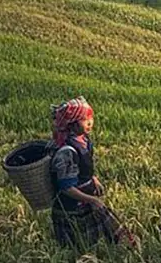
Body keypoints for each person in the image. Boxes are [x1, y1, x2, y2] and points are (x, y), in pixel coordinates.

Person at [49, 97, 138, 248]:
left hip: (86, 199)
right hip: (71, 207)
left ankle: (128, 248)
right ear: (72, 124)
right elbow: (66, 187)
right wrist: (92, 200)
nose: (90, 122)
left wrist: (93, 179)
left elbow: (83, 168)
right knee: (79, 245)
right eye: (84, 119)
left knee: (110, 231)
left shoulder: (84, 141)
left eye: (91, 118)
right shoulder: (66, 152)